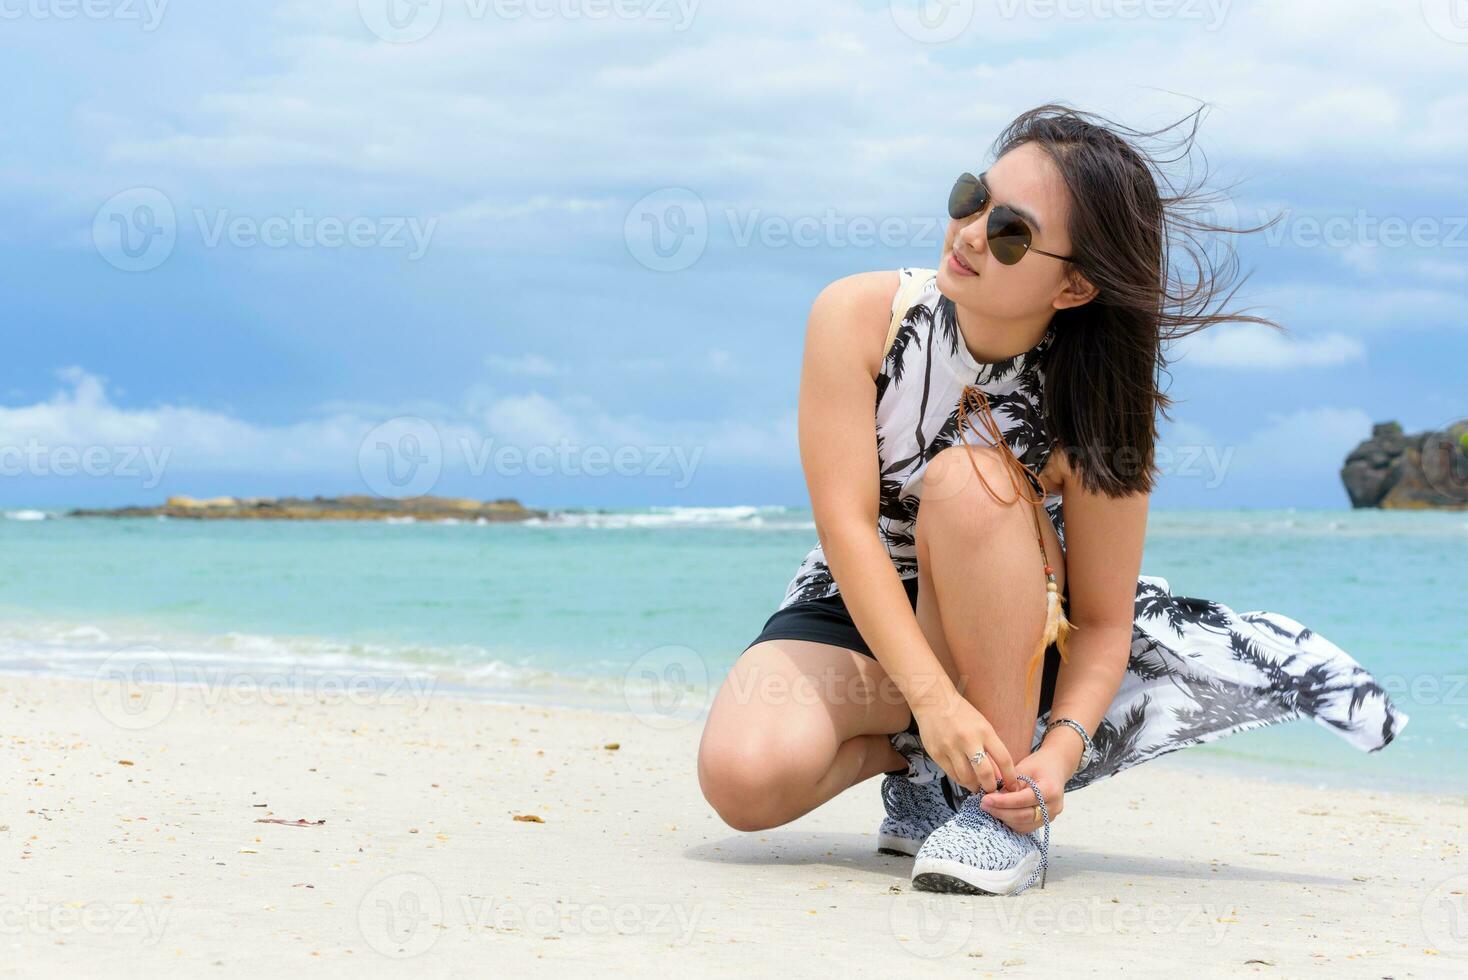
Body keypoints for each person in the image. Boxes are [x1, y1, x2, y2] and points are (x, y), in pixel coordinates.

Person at [696, 103, 1409, 896]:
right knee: (743, 779)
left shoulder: (1100, 405)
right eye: (973, 198)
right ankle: (925, 760)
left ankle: (997, 810)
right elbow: (847, 529)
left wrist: (1059, 754)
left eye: (1009, 233)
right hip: (861, 598)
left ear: (1073, 285)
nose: (970, 234)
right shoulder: (861, 319)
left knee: (970, 478)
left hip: (1007, 622)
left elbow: (1102, 620)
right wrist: (931, 706)